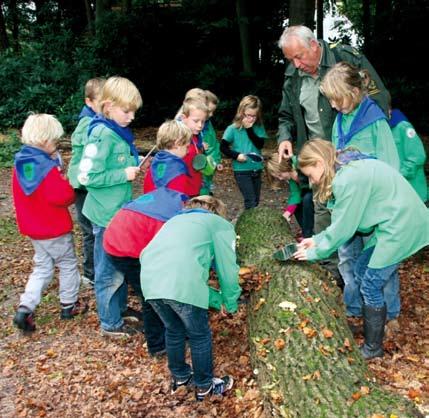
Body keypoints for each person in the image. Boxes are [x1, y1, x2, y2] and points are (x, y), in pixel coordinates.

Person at [293, 139, 429, 359]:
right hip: (391, 224)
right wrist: (316, 239)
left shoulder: (347, 179)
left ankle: (373, 347)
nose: (310, 182)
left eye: (310, 174)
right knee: (361, 269)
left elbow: (344, 229)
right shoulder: (345, 167)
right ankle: (371, 326)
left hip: (401, 226)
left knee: (370, 285)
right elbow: (341, 221)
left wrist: (313, 253)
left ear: (319, 163)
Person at [276, 25, 390, 282]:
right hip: (318, 163)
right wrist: (284, 137)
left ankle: (367, 276)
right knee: (322, 211)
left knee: (356, 217)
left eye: (300, 56)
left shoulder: (347, 59)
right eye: (290, 59)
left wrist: (357, 149)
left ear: (314, 45)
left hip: (352, 159)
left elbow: (379, 101)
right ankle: (331, 276)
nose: (296, 64)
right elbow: (285, 115)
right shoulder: (293, 76)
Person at [320, 61, 401, 322]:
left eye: (336, 99)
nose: (332, 105)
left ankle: (387, 315)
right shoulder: (340, 120)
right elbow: (334, 155)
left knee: (377, 260)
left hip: (374, 207)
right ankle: (354, 309)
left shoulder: (375, 120)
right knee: (347, 258)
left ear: (353, 93)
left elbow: (391, 166)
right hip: (348, 203)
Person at [140, 196, 241, 401]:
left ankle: (180, 377)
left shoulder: (173, 221)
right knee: (199, 335)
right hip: (180, 282)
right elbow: (227, 268)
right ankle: (204, 386)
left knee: (174, 329)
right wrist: (230, 302)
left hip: (150, 282)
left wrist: (216, 300)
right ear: (216, 211)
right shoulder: (218, 223)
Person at [78, 76, 142, 337]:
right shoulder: (101, 135)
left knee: (120, 265)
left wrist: (132, 167)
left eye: (134, 112)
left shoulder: (117, 132)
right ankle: (109, 323)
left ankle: (120, 309)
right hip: (105, 215)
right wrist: (122, 174)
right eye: (126, 111)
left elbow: (119, 163)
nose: (131, 117)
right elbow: (87, 177)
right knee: (108, 271)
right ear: (107, 106)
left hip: (117, 212)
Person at [12, 114, 87, 332]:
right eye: (54, 141)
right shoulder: (46, 168)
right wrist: (66, 182)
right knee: (67, 264)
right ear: (45, 141)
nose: (56, 145)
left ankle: (26, 307)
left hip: (34, 229)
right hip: (54, 228)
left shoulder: (21, 162)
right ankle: (69, 304)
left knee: (43, 266)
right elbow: (62, 197)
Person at [67, 77, 105, 287]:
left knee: (97, 228)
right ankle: (91, 273)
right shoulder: (87, 123)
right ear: (89, 101)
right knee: (89, 230)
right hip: (82, 187)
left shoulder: (98, 121)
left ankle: (99, 268)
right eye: (101, 100)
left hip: (90, 184)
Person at [221, 95, 267, 210]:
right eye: (248, 115)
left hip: (256, 168)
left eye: (254, 116)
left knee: (255, 201)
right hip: (241, 171)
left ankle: (250, 224)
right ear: (241, 112)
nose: (251, 119)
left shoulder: (258, 127)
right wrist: (236, 156)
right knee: (250, 201)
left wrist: (249, 129)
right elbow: (223, 147)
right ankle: (249, 226)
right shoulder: (232, 129)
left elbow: (260, 144)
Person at [266, 152, 314, 238]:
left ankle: (308, 235)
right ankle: (305, 231)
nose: (280, 178)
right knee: (297, 206)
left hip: (316, 191)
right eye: (278, 177)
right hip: (308, 193)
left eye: (280, 175)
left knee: (307, 199)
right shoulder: (290, 176)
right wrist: (288, 213)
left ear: (284, 166)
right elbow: (295, 193)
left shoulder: (299, 164)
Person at [389, 106, 428, 203]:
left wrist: (398, 175)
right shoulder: (376, 128)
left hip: (414, 192)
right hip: (393, 196)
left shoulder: (402, 126)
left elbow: (417, 156)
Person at [143, 120, 192, 195]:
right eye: (187, 147)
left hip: (150, 204)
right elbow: (177, 198)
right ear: (177, 143)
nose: (188, 151)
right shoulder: (177, 169)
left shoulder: (156, 162)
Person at [177, 98, 209, 197]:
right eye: (196, 121)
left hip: (195, 188)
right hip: (181, 191)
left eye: (203, 122)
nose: (200, 125)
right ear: (183, 118)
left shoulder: (196, 138)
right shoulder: (178, 139)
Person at [199, 90, 223, 195]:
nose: (212, 115)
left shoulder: (209, 125)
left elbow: (214, 145)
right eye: (209, 111)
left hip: (208, 168)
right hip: (197, 170)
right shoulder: (193, 126)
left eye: (213, 111)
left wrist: (217, 161)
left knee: (205, 189)